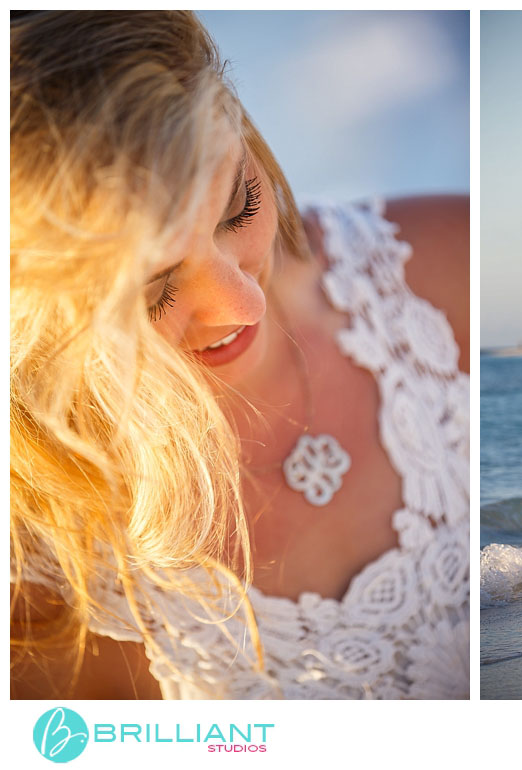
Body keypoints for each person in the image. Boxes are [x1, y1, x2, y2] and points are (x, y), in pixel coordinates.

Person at [11, 11, 469, 699]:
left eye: (238, 206)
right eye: (150, 289)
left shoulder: (444, 265)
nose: (243, 306)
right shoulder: (44, 562)